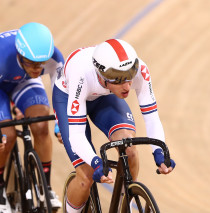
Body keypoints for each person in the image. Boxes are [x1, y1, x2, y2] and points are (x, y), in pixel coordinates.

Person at [52, 38, 176, 212]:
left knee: (130, 150)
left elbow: (151, 117)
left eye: (129, 77)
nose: (127, 86)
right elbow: (77, 136)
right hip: (68, 96)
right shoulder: (82, 74)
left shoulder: (139, 69)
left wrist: (159, 152)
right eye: (119, 79)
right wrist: (95, 162)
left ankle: (122, 207)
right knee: (85, 177)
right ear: (103, 75)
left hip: (105, 96)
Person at [0, 22, 64, 213]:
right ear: (20, 55)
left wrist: (61, 123)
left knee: (40, 126)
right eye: (32, 63)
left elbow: (61, 96)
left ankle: (44, 187)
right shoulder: (1, 61)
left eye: (41, 64)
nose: (38, 69)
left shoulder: (53, 58)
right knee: (7, 136)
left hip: (22, 80)